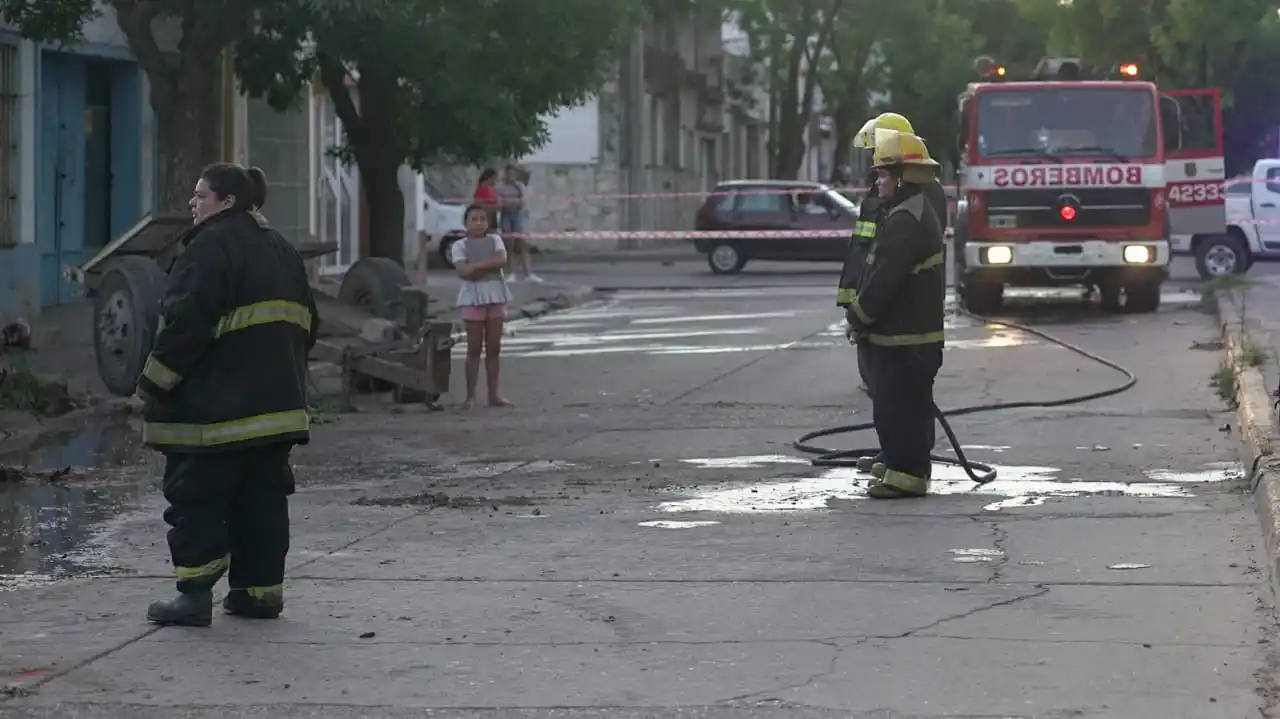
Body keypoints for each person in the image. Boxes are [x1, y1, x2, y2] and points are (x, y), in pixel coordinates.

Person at [137, 163, 318, 625]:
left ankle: (195, 596)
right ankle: (259, 594)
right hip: (276, 409)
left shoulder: (207, 248)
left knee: (196, 494)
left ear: (227, 202)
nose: (193, 204)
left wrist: (153, 383)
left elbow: (185, 325)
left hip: (216, 411)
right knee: (261, 498)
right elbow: (309, 325)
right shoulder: (281, 248)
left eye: (200, 196)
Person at [845, 129, 946, 499]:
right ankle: (901, 465)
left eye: (884, 175)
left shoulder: (906, 221)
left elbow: (885, 281)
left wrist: (857, 316)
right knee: (902, 406)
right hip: (906, 337)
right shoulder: (906, 211)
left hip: (905, 340)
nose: (878, 182)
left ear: (903, 178)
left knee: (898, 408)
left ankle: (906, 474)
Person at [452, 204, 515, 410]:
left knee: (494, 348)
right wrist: (487, 267)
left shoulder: (495, 240)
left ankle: (493, 395)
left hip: (496, 297)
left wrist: (476, 266)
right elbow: (463, 272)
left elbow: (501, 260)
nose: (479, 223)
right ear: (466, 223)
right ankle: (470, 396)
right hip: (472, 300)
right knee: (474, 348)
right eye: (474, 219)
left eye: (482, 219)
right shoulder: (459, 245)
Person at [497, 165, 543, 283]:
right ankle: (511, 273)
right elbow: (499, 204)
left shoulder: (519, 186)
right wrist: (513, 202)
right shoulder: (499, 187)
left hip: (517, 216)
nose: (511, 176)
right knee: (509, 245)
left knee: (522, 245)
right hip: (505, 217)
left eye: (513, 174)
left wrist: (510, 201)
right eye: (509, 174)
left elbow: (522, 202)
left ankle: (528, 273)